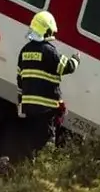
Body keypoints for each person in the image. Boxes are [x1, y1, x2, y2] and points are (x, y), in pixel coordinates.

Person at [15, 11, 80, 156]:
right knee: (46, 143)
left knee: (31, 142)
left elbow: (20, 80)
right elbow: (67, 67)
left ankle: (26, 168)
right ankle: (40, 170)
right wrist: (76, 59)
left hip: (29, 109)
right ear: (46, 31)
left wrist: (21, 103)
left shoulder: (24, 51)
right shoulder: (49, 51)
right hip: (45, 110)